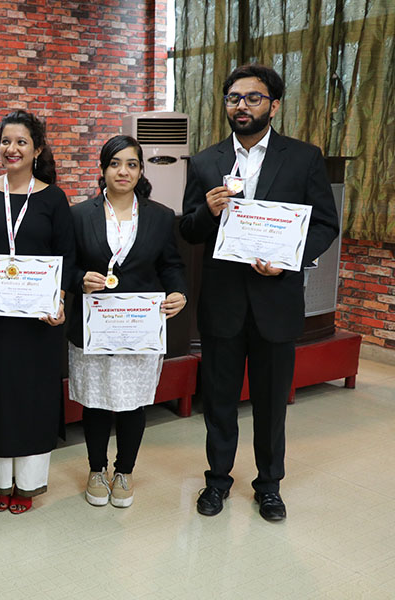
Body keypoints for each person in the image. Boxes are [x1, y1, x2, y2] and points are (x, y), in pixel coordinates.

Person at [179, 64, 339, 521]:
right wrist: (207, 212)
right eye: (234, 98)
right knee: (219, 401)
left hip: (276, 299)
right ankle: (217, 481)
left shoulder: (303, 157)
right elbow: (189, 229)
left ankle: (269, 486)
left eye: (253, 98)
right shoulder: (206, 161)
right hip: (223, 303)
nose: (242, 106)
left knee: (271, 403)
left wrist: (290, 258)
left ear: (274, 105)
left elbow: (325, 223)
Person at [0, 110, 75, 514]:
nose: (12, 149)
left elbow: (67, 257)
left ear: (37, 149)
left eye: (21, 142)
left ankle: (26, 486)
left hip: (38, 324)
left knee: (32, 399)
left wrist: (59, 302)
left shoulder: (53, 198)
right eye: (6, 141)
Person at [67, 135, 187, 508]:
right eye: (115, 163)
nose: (123, 171)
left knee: (133, 403)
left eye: (132, 164)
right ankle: (96, 469)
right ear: (103, 169)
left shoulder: (160, 216)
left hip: (139, 326)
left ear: (140, 171)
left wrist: (178, 292)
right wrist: (79, 279)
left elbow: (171, 264)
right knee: (96, 402)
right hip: (95, 326)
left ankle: (125, 471)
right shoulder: (79, 215)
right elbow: (66, 265)